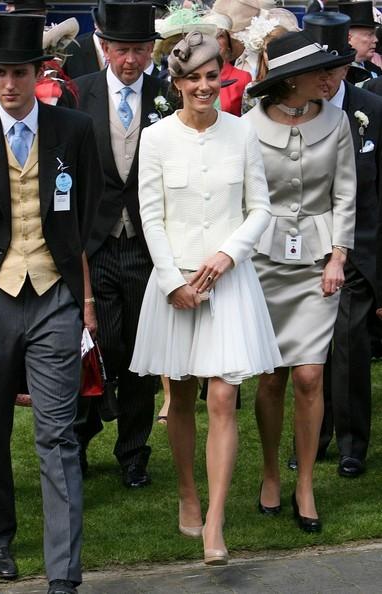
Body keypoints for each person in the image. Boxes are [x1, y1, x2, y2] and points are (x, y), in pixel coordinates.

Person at [130, 30, 282, 564]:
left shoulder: (242, 135)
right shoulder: (155, 139)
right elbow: (150, 214)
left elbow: (260, 208)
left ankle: (216, 519)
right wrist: (172, 279)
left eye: (210, 76)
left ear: (223, 77)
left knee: (223, 395)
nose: (202, 86)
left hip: (229, 278)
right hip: (174, 283)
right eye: (192, 78)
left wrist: (229, 255)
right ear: (175, 85)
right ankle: (188, 494)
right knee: (184, 395)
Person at [0, 12, 103, 594]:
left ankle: (63, 574)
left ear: (38, 73)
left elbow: (87, 210)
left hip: (53, 295)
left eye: (19, 72)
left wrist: (82, 297)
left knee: (56, 435)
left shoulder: (72, 130)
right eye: (0, 72)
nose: (9, 83)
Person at [244, 30, 356, 532]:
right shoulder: (246, 128)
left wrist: (338, 255)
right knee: (271, 377)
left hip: (317, 263)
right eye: (322, 72)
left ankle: (305, 482)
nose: (332, 80)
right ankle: (271, 473)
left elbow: (346, 194)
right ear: (292, 80)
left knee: (310, 374)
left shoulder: (337, 122)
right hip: (264, 263)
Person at [74, 2, 167, 488]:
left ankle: (134, 452)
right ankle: (82, 436)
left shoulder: (166, 95)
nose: (129, 59)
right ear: (104, 48)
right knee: (96, 345)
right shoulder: (78, 94)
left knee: (141, 355)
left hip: (148, 247)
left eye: (138, 49)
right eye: (121, 49)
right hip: (94, 245)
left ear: (151, 50)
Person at [302, 11, 382, 477]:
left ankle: (352, 443)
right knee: (308, 352)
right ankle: (313, 437)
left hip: (359, 254)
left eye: (334, 70)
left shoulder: (374, 109)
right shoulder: (288, 113)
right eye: (318, 71)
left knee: (349, 348)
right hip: (303, 253)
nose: (327, 80)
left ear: (348, 65)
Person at [339, 1, 382, 85]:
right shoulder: (337, 73)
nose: (376, 40)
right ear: (348, 38)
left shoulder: (375, 70)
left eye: (375, 34)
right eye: (370, 35)